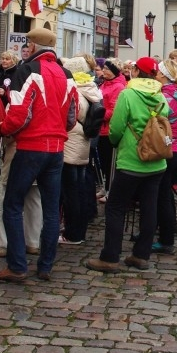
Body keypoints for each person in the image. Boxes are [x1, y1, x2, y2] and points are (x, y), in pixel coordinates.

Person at [0, 27, 75, 283]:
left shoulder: (27, 71)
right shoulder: (67, 73)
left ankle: (17, 266)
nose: (25, 49)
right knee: (51, 210)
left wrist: (1, 131)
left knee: (13, 204)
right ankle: (45, 265)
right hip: (57, 148)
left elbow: (19, 114)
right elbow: (72, 117)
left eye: (28, 45)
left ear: (35, 47)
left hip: (31, 147)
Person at [86, 57, 170, 272]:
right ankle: (141, 255)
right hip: (156, 161)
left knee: (116, 207)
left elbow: (116, 127)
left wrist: (116, 143)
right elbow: (166, 118)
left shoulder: (129, 94)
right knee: (149, 208)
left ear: (135, 71)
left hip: (131, 160)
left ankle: (110, 257)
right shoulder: (160, 94)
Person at [59, 56, 102, 245]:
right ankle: (78, 228)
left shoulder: (74, 89)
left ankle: (73, 233)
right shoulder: (91, 88)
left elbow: (69, 115)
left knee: (70, 193)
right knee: (79, 189)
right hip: (83, 142)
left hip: (71, 142)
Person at [154, 58, 177, 253]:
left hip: (166, 148)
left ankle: (166, 239)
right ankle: (164, 230)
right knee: (165, 194)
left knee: (162, 197)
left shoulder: (164, 97)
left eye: (157, 73)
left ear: (163, 75)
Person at [97, 59, 127, 194]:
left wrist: (97, 116)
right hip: (100, 128)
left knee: (110, 162)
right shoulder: (104, 84)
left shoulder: (119, 87)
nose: (103, 71)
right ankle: (105, 187)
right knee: (103, 161)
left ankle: (111, 189)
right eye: (103, 68)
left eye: (107, 69)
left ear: (114, 71)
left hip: (108, 129)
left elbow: (113, 110)